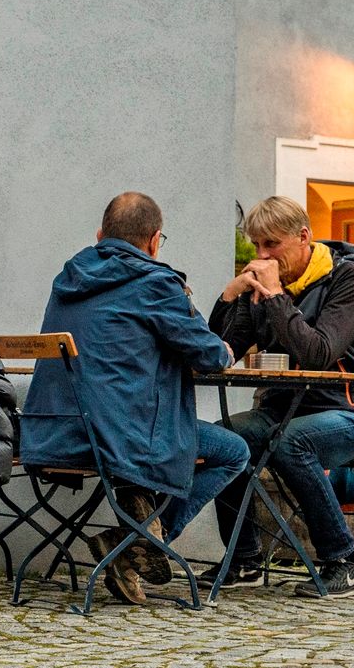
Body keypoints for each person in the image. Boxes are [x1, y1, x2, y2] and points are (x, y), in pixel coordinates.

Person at [20, 192, 250, 605]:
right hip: (120, 439)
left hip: (52, 433)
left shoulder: (68, 279)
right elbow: (211, 354)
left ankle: (139, 529)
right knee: (233, 450)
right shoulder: (155, 283)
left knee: (145, 429)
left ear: (99, 235)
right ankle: (136, 543)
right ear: (155, 240)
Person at [207, 195, 354, 598]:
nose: (262, 255)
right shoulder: (265, 289)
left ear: (303, 237)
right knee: (223, 440)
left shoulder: (347, 280)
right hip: (281, 411)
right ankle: (245, 560)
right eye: (256, 246)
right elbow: (220, 349)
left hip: (352, 412)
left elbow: (320, 353)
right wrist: (229, 296)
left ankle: (346, 563)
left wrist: (275, 298)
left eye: (272, 244)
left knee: (292, 442)